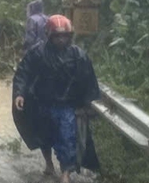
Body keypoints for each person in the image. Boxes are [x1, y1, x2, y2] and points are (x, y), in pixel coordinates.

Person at [13, 14, 100, 183]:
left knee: (67, 137)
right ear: (50, 36)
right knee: (44, 137)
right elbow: (23, 73)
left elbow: (88, 79)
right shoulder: (38, 53)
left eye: (64, 36)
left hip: (66, 105)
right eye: (57, 36)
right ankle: (48, 164)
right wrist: (20, 93)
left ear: (69, 36)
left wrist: (88, 103)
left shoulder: (78, 55)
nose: (61, 40)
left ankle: (65, 173)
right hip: (42, 103)